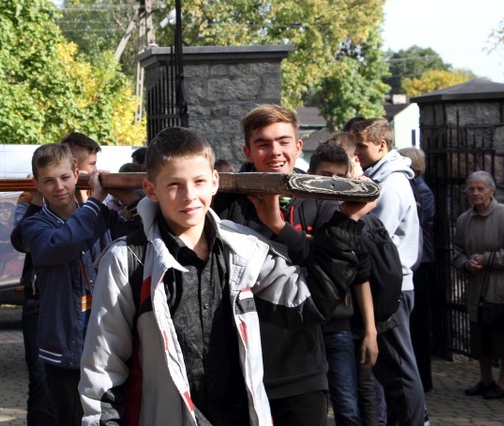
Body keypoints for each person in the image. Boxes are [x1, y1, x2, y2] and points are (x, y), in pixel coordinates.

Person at [79, 126, 371, 425]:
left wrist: (345, 222)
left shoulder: (244, 250)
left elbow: (312, 303)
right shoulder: (128, 260)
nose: (189, 196)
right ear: (151, 189)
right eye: (174, 185)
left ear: (214, 182)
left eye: (199, 181)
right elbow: (103, 367)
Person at [212, 104, 364, 425]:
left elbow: (328, 276)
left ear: (298, 147)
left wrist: (281, 228)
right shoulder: (225, 202)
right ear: (248, 151)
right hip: (239, 371)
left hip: (301, 371)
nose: (275, 152)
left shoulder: (320, 201)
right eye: (263, 144)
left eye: (283, 142)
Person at [11, 143, 141, 426]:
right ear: (37, 185)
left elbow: (141, 234)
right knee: (69, 417)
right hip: (62, 347)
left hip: (104, 340)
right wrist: (96, 200)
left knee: (110, 416)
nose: (59, 187)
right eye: (48, 180)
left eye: (65, 177)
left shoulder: (101, 216)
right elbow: (63, 244)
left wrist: (130, 198)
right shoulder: (34, 226)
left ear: (76, 174)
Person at [352, 118, 426, 425]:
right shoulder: (383, 180)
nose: (356, 153)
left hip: (391, 289)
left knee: (400, 369)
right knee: (391, 369)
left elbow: (371, 239)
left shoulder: (391, 187)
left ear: (382, 146)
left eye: (361, 145)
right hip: (391, 286)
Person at [307, 143, 379, 426]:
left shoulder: (350, 218)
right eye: (326, 177)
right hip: (304, 326)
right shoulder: (300, 209)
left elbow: (362, 276)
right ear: (311, 174)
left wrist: (371, 332)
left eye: (339, 179)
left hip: (338, 327)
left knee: (348, 408)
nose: (332, 185)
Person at [453, 171, 504, 400]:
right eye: (471, 189)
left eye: (480, 189)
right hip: (476, 286)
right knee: (479, 335)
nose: (475, 193)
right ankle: (486, 380)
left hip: (502, 285)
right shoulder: (463, 219)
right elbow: (456, 251)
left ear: (491, 191)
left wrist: (488, 259)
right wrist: (466, 263)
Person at [399, 147, 436, 393]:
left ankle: (422, 379)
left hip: (421, 261)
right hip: (420, 259)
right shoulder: (417, 189)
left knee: (419, 325)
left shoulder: (420, 191)